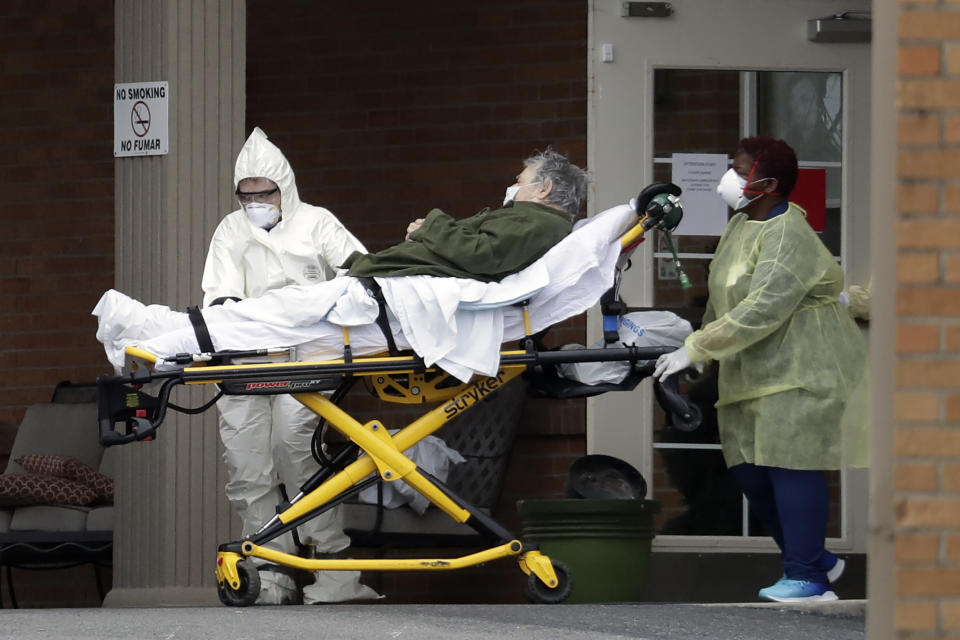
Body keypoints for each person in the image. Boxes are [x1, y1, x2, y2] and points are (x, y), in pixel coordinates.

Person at [653, 135, 869, 603]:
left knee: (792, 466)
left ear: (767, 183)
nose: (728, 178)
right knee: (750, 471)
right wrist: (698, 348)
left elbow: (763, 306)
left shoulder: (788, 232)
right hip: (753, 370)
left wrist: (698, 347)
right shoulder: (741, 226)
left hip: (799, 369)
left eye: (740, 169)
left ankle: (808, 577)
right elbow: (724, 297)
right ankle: (815, 559)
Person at [202, 127, 377, 605]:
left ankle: (334, 568)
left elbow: (359, 273)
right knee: (247, 464)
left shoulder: (317, 223)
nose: (256, 202)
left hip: (311, 352)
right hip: (249, 354)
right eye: (247, 194)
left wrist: (314, 311)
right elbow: (219, 295)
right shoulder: (230, 230)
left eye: (265, 193)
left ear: (285, 188)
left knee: (296, 450)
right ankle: (269, 571)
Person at [342, 146, 587, 281]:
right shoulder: (533, 221)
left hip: (396, 273)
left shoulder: (538, 223)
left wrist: (430, 229)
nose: (513, 187)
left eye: (519, 181)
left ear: (543, 189)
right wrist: (427, 231)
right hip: (395, 269)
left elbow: (480, 253)